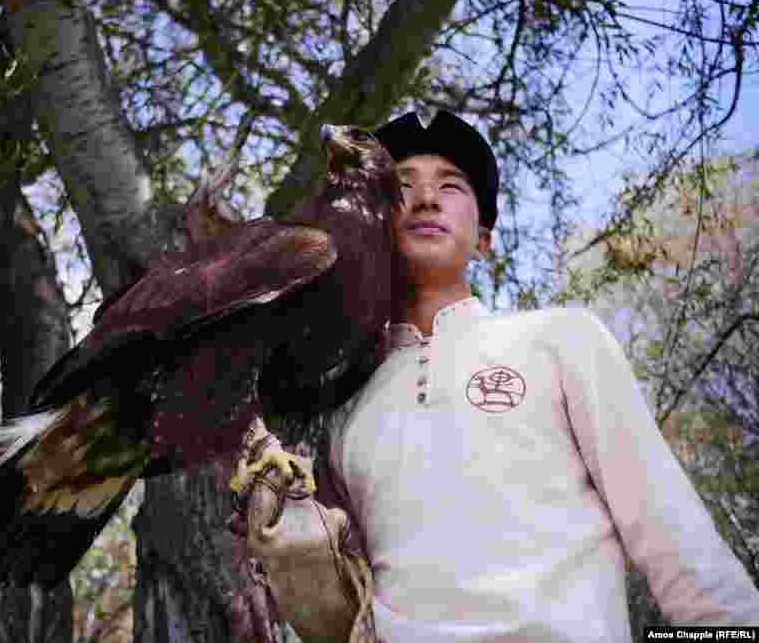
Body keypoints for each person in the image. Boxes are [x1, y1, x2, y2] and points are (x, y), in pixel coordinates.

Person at [231, 110, 759, 642]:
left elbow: (668, 527)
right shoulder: (342, 403)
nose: (426, 198)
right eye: (401, 186)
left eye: (451, 186)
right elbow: (342, 590)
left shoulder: (560, 339)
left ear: (483, 240)